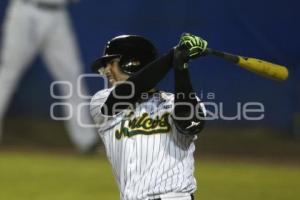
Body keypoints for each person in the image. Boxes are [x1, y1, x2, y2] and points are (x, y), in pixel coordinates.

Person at [90, 33, 207, 200]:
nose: (106, 71)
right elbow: (130, 90)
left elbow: (190, 123)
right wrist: (172, 56)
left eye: (111, 63)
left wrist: (181, 67)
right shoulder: (100, 101)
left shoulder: (175, 102)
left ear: (133, 62)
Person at [0, 0, 98, 153]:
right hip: (28, 11)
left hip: (57, 14)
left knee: (72, 76)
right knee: (7, 76)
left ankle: (87, 142)